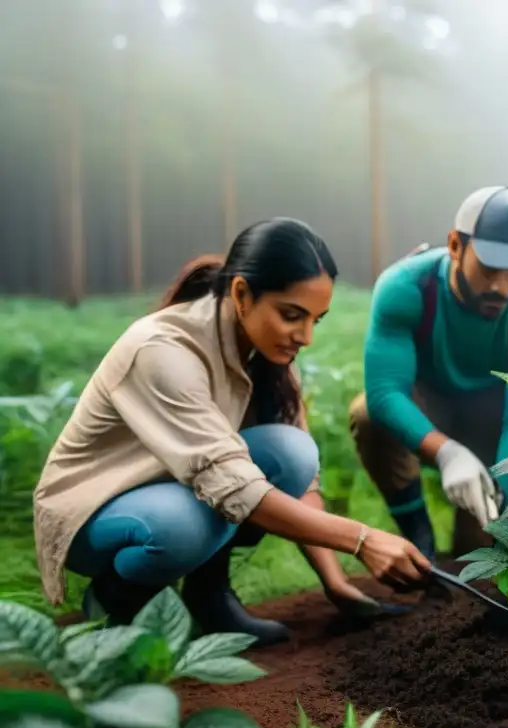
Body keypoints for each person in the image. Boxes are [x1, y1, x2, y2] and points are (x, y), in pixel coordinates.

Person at [33, 218, 431, 647]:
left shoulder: (265, 350)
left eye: (316, 320)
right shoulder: (162, 350)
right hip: (97, 509)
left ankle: (208, 594)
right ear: (241, 294)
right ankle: (115, 600)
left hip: (179, 486)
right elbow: (233, 486)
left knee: (293, 453)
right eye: (292, 315)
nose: (306, 337)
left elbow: (299, 482)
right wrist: (362, 540)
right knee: (180, 526)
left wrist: (335, 582)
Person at [349, 186, 508, 560]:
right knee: (366, 413)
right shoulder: (406, 287)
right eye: (489, 268)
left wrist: (500, 497)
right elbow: (385, 393)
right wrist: (447, 453)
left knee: (478, 553)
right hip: (425, 407)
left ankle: (495, 527)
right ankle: (419, 538)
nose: (501, 287)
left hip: (492, 423)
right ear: (455, 246)